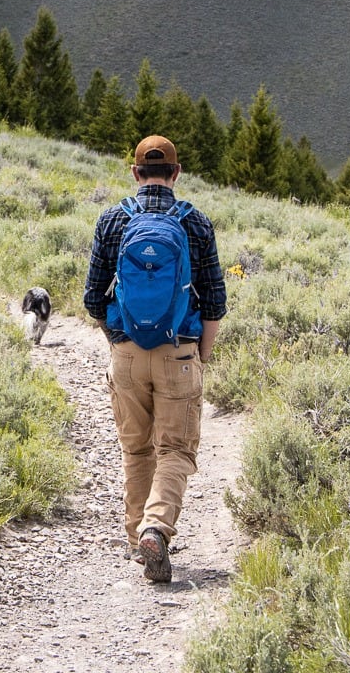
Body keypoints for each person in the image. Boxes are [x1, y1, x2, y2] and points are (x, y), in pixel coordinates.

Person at [82, 134, 225, 583]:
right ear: (176, 174)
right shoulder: (195, 223)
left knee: (136, 447)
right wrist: (199, 354)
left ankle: (136, 540)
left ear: (136, 173)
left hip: (126, 354)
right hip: (178, 352)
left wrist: (117, 338)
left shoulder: (113, 220)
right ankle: (156, 528)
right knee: (177, 449)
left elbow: (91, 297)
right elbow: (215, 302)